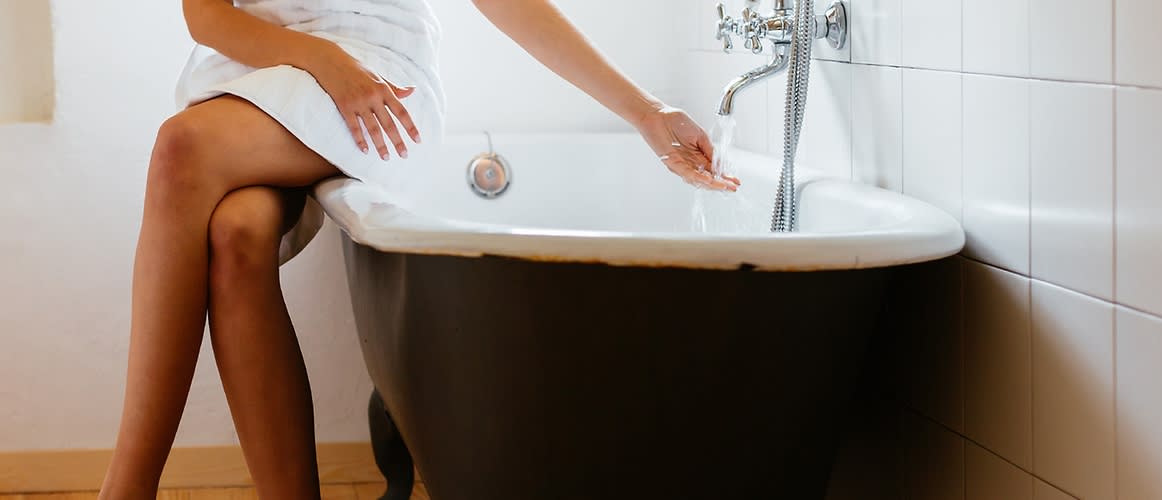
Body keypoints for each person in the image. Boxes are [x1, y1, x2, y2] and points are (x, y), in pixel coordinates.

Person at [99, 0, 739, 498]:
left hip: (379, 85)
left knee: (181, 150)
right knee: (234, 235)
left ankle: (125, 490)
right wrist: (321, 60)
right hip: (253, 73)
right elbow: (205, 14)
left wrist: (647, 112)